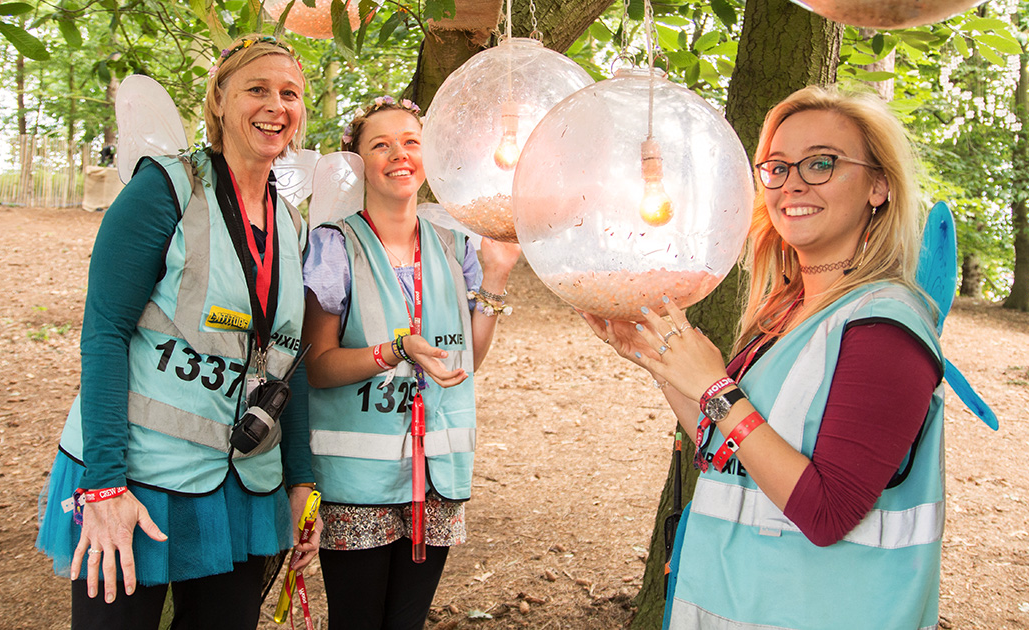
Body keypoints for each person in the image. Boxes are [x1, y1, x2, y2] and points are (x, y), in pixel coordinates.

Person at [582, 85, 946, 629]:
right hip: (736, 601)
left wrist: (715, 389)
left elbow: (828, 513)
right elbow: (729, 453)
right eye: (776, 168)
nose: (792, 182)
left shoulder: (885, 328)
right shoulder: (788, 309)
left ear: (879, 186)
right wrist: (660, 362)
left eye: (821, 163)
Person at [36, 34, 321, 629]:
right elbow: (105, 333)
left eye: (289, 94)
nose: (276, 106)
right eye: (257, 90)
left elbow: (284, 364)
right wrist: (104, 485)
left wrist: (302, 482)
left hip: (243, 484)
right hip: (137, 475)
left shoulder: (293, 226)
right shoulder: (166, 189)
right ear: (219, 99)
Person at [301, 96, 521, 628]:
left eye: (411, 142)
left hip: (437, 477)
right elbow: (319, 366)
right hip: (358, 483)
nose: (399, 154)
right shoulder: (335, 246)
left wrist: (494, 277)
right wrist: (395, 350)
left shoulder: (453, 244)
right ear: (359, 161)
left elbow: (467, 357)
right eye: (381, 144)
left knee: (407, 622)